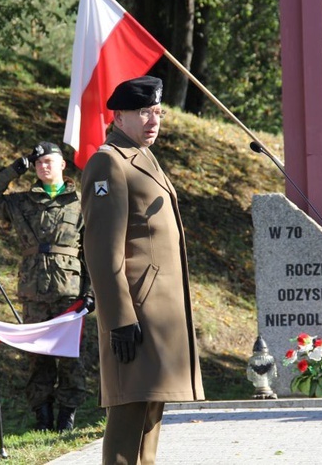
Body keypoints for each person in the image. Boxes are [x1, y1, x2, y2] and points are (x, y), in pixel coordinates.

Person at [80, 76, 205, 464]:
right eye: (143, 112)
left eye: (157, 112)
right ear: (119, 117)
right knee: (130, 413)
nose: (154, 120)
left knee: (151, 411)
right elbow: (101, 249)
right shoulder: (108, 162)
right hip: (136, 311)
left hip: (159, 313)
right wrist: (118, 317)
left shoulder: (143, 156)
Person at [0, 141, 94, 432]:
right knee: (37, 357)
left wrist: (91, 292)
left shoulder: (81, 202)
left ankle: (67, 417)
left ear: (63, 165)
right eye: (39, 163)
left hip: (70, 291)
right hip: (33, 290)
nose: (44, 166)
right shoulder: (20, 202)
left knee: (71, 358)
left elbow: (91, 251)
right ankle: (42, 418)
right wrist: (14, 169)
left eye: (50, 161)